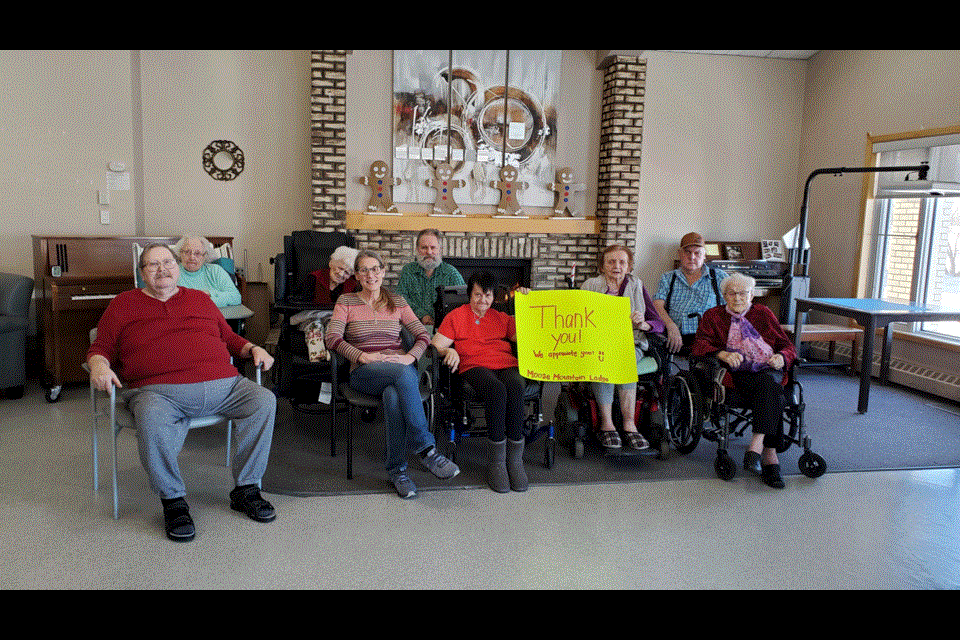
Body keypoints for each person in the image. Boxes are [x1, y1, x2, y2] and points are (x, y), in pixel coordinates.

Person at [87, 243, 277, 542]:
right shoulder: (123, 304)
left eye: (167, 262)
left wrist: (252, 347)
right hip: (159, 393)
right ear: (141, 273)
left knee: (263, 399)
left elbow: (228, 337)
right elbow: (100, 348)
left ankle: (247, 490)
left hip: (224, 386)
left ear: (177, 268)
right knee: (150, 416)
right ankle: (173, 502)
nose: (162, 269)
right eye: (152, 264)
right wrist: (99, 366)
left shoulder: (200, 299)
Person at [325, 249, 459, 499]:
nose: (370, 274)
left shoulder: (397, 302)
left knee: (394, 396)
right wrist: (362, 356)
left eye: (375, 268)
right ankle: (427, 449)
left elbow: (422, 336)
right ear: (356, 275)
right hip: (364, 371)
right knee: (403, 375)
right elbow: (332, 338)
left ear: (383, 271)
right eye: (363, 269)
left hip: (399, 370)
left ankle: (397, 471)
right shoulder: (346, 303)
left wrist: (410, 357)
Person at [691, 272, 796, 489]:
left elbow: (788, 346)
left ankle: (757, 447)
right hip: (732, 375)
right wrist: (722, 354)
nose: (738, 298)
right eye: (732, 293)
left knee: (768, 386)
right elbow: (699, 345)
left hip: (766, 371)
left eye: (743, 293)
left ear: (752, 295)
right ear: (724, 295)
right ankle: (769, 456)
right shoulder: (713, 316)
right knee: (772, 390)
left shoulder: (763, 314)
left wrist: (781, 357)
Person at [432, 271, 529, 493]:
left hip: (505, 363)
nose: (482, 300)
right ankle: (496, 462)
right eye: (477, 295)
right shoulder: (456, 316)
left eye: (487, 295)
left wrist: (525, 301)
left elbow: (530, 332)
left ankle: (514, 461)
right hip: (473, 365)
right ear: (469, 295)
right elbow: (435, 345)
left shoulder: (501, 318)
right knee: (496, 390)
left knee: (515, 385)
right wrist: (449, 350)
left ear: (494, 297)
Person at [580, 244, 665, 451]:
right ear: (602, 266)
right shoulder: (590, 286)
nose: (616, 266)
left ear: (628, 267)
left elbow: (658, 323)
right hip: (597, 344)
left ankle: (629, 424)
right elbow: (577, 318)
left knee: (622, 355)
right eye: (610, 262)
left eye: (622, 262)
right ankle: (606, 424)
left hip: (630, 343)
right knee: (604, 357)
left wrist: (643, 324)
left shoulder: (637, 286)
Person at [653, 232, 727, 354]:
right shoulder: (668, 278)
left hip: (708, 338)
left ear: (704, 255)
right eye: (687, 252)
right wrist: (671, 326)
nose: (692, 257)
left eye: (697, 253)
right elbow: (657, 304)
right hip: (675, 335)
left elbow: (733, 308)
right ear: (680, 254)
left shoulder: (720, 277)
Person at [395, 228, 465, 326]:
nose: (429, 252)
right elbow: (400, 298)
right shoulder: (408, 271)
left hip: (445, 328)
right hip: (413, 325)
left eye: (433, 247)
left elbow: (464, 302)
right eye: (424, 247)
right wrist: (422, 315)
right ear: (416, 249)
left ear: (439, 249)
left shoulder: (451, 273)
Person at [173, 235, 243, 308]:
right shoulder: (172, 272)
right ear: (180, 254)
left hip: (215, 317)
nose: (192, 257)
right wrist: (207, 298)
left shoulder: (216, 271)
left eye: (197, 253)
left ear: (205, 256)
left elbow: (236, 297)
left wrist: (209, 293)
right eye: (187, 252)